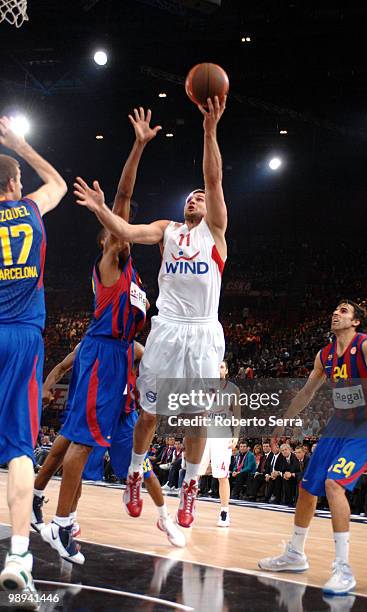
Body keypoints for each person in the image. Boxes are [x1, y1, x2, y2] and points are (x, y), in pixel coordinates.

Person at [74, 96, 228, 528]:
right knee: (150, 414)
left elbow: (213, 178)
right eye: (192, 197)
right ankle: (136, 474)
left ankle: (192, 488)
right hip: (168, 329)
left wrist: (209, 129)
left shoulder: (215, 234)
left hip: (202, 332)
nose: (196, 198)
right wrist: (102, 209)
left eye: (202, 197)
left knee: (197, 418)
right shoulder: (167, 231)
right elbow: (122, 230)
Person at [40, 108, 159, 563]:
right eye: (114, 229)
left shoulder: (132, 273)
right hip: (101, 353)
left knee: (76, 440)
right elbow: (124, 196)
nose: (122, 232)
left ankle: (57, 517)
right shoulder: (111, 260)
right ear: (107, 239)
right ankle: (61, 524)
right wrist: (137, 146)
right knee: (82, 441)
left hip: (115, 359)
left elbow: (125, 206)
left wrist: (141, 143)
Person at [259, 300, 367, 595]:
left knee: (333, 483)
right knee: (306, 487)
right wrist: (281, 421)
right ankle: (295, 554)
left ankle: (343, 569)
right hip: (337, 425)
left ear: (356, 322)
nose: (335, 313)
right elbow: (306, 393)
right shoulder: (324, 356)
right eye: (335, 309)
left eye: (343, 310)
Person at [0, 117, 67, 595]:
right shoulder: (31, 209)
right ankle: (19, 556)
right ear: (13, 183)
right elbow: (59, 183)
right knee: (20, 452)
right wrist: (22, 143)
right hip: (22, 337)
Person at [32, 341, 185, 547]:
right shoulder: (86, 346)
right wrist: (45, 387)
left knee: (145, 471)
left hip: (124, 421)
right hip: (95, 415)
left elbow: (157, 368)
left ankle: (164, 519)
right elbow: (60, 367)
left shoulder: (134, 349)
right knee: (76, 469)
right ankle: (70, 520)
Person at [198, 360, 240, 526]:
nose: (218, 369)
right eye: (215, 367)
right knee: (196, 473)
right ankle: (188, 506)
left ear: (226, 371)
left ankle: (224, 513)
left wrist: (236, 436)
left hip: (222, 437)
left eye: (221, 367)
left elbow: (237, 416)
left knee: (222, 476)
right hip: (204, 435)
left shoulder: (233, 390)